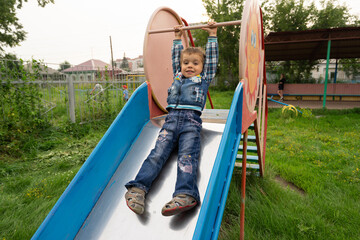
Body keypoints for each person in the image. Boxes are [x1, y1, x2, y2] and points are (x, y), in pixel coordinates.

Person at [124, 22, 218, 216]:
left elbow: (212, 60)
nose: (189, 66)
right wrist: (176, 38)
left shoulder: (204, 78)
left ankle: (185, 194)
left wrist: (212, 35)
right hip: (171, 120)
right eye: (186, 63)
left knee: (187, 156)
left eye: (195, 63)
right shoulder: (177, 75)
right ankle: (138, 189)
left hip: (191, 123)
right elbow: (175, 58)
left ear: (202, 66)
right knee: (157, 153)